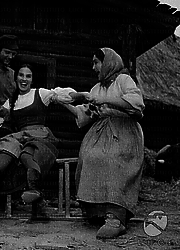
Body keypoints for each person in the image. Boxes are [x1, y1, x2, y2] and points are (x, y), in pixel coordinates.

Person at [0, 64, 76, 205]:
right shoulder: (11, 101)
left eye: (28, 76)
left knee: (26, 153)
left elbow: (62, 95)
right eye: (21, 75)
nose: (24, 79)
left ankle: (34, 189)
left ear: (32, 80)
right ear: (16, 79)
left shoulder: (40, 93)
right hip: (21, 136)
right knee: (7, 147)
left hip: (39, 135)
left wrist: (82, 96)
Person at [61, 48, 146, 238]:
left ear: (107, 63)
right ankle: (97, 211)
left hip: (123, 131)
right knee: (90, 156)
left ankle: (116, 218)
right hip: (101, 131)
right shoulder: (96, 87)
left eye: (96, 62)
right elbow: (85, 115)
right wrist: (63, 101)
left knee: (113, 159)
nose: (93, 67)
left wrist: (104, 99)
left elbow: (136, 103)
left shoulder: (124, 80)